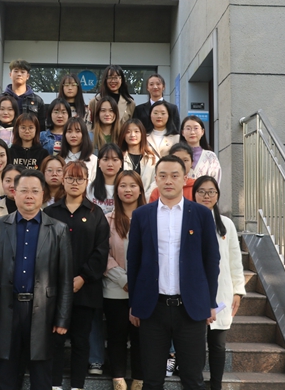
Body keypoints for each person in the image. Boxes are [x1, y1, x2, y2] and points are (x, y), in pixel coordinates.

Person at [126, 155, 220, 390]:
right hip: (152, 308)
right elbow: (133, 261)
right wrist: (134, 303)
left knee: (193, 379)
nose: (168, 181)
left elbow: (211, 260)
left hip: (190, 309)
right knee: (152, 380)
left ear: (185, 179)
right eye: (163, 176)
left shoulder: (201, 214)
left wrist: (210, 302)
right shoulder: (141, 215)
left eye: (174, 175)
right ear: (156, 179)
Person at [0, 169, 73, 390]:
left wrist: (62, 318)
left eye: (35, 191)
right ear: (14, 192)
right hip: (5, 310)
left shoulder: (58, 230)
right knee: (6, 378)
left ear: (43, 194)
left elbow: (65, 279)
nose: (29, 196)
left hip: (43, 312)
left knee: (41, 378)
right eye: (24, 190)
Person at [44, 161, 109, 390]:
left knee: (81, 340)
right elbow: (43, 250)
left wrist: (83, 277)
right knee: (55, 339)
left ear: (86, 181)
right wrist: (60, 280)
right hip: (54, 290)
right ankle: (54, 385)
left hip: (86, 289)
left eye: (79, 178)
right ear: (62, 180)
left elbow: (101, 251)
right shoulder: (50, 213)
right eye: (70, 178)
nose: (74, 183)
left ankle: (77, 386)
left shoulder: (96, 214)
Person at [192, 176, 245, 390]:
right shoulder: (188, 220)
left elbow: (235, 260)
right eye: (201, 191)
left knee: (217, 344)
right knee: (195, 344)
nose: (206, 196)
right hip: (195, 291)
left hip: (221, 292)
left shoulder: (227, 224)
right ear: (194, 194)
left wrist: (238, 291)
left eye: (211, 191)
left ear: (217, 195)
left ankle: (216, 385)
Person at [104, 170, 147, 390]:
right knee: (117, 336)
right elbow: (103, 254)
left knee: (141, 337)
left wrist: (138, 283)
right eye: (123, 185)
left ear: (140, 190)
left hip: (145, 290)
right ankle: (118, 380)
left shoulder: (151, 218)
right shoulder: (107, 220)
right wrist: (124, 279)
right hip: (115, 289)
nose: (128, 190)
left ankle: (139, 379)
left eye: (132, 185)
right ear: (116, 190)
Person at [0, 59, 45, 125]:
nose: (19, 74)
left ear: (27, 76)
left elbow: (41, 126)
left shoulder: (37, 100)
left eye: (22, 72)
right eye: (16, 71)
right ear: (10, 75)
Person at [119, 119, 158, 197]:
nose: (132, 135)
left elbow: (155, 183)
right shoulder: (118, 157)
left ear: (142, 134)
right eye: (128, 132)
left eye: (136, 131)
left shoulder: (152, 159)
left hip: (147, 200)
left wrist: (144, 199)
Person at [180, 116, 221, 183]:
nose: (192, 132)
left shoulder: (210, 156)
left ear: (202, 131)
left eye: (196, 128)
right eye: (188, 128)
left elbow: (215, 181)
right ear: (182, 132)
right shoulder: (177, 156)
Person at [87, 143, 124, 214]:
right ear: (99, 163)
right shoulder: (89, 189)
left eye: (115, 160)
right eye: (105, 159)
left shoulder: (126, 189)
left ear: (121, 163)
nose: (110, 164)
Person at [0, 164, 24, 229]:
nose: (12, 185)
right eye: (8, 181)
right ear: (2, 182)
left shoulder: (34, 208)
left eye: (17, 181)